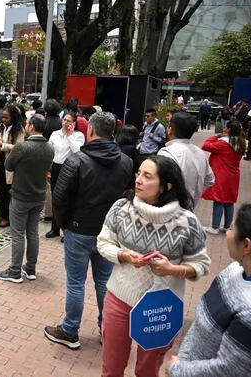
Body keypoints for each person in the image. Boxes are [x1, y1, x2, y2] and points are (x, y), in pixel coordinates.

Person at [96, 156, 210, 377]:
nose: (138, 180)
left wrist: (173, 270)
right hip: (120, 298)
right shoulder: (121, 207)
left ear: (166, 186)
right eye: (139, 173)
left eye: (147, 176)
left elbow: (201, 263)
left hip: (160, 308)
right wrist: (123, 255)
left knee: (148, 371)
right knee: (111, 369)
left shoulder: (187, 221)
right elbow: (103, 242)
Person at [45, 112, 133, 350]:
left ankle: (70, 330)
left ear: (91, 131)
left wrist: (64, 224)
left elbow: (60, 197)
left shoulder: (77, 161)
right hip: (108, 233)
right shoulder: (125, 162)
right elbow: (128, 196)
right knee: (104, 281)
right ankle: (107, 330)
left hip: (79, 230)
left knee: (76, 282)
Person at [168, 204, 251, 377]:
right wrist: (183, 359)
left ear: (247, 245)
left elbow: (228, 371)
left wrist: (177, 369)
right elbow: (198, 328)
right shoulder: (233, 271)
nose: (227, 233)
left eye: (231, 229)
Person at [0, 114, 54, 283]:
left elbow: (8, 165)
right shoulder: (50, 147)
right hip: (39, 196)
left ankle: (14, 270)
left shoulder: (23, 147)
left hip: (21, 195)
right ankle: (30, 268)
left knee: (18, 234)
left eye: (28, 124)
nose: (26, 126)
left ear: (32, 127)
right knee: (33, 233)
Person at [158, 112, 215, 208]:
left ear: (170, 130)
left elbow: (158, 184)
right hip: (189, 208)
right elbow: (210, 180)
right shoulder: (200, 153)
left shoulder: (166, 153)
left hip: (167, 211)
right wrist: (194, 192)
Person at [45, 111, 84, 240]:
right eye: (64, 120)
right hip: (55, 167)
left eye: (69, 121)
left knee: (67, 199)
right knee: (55, 197)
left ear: (74, 123)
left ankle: (66, 230)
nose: (66, 123)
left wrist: (70, 135)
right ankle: (54, 228)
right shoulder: (55, 134)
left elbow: (77, 151)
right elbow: (49, 150)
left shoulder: (78, 136)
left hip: (69, 168)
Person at [201, 120, 246, 234]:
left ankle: (215, 227)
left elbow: (205, 146)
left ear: (229, 130)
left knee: (218, 199)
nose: (224, 129)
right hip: (233, 175)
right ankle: (227, 226)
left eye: (226, 127)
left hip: (221, 173)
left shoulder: (223, 143)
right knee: (229, 201)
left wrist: (216, 136)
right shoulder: (241, 142)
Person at [0, 106, 25, 227]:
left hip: (11, 164)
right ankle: (2, 214)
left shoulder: (19, 130)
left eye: (6, 117)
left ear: (13, 117)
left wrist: (3, 145)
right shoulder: (1, 127)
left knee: (8, 191)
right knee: (0, 190)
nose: (4, 119)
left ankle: (8, 217)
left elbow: (19, 148)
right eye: (3, 117)